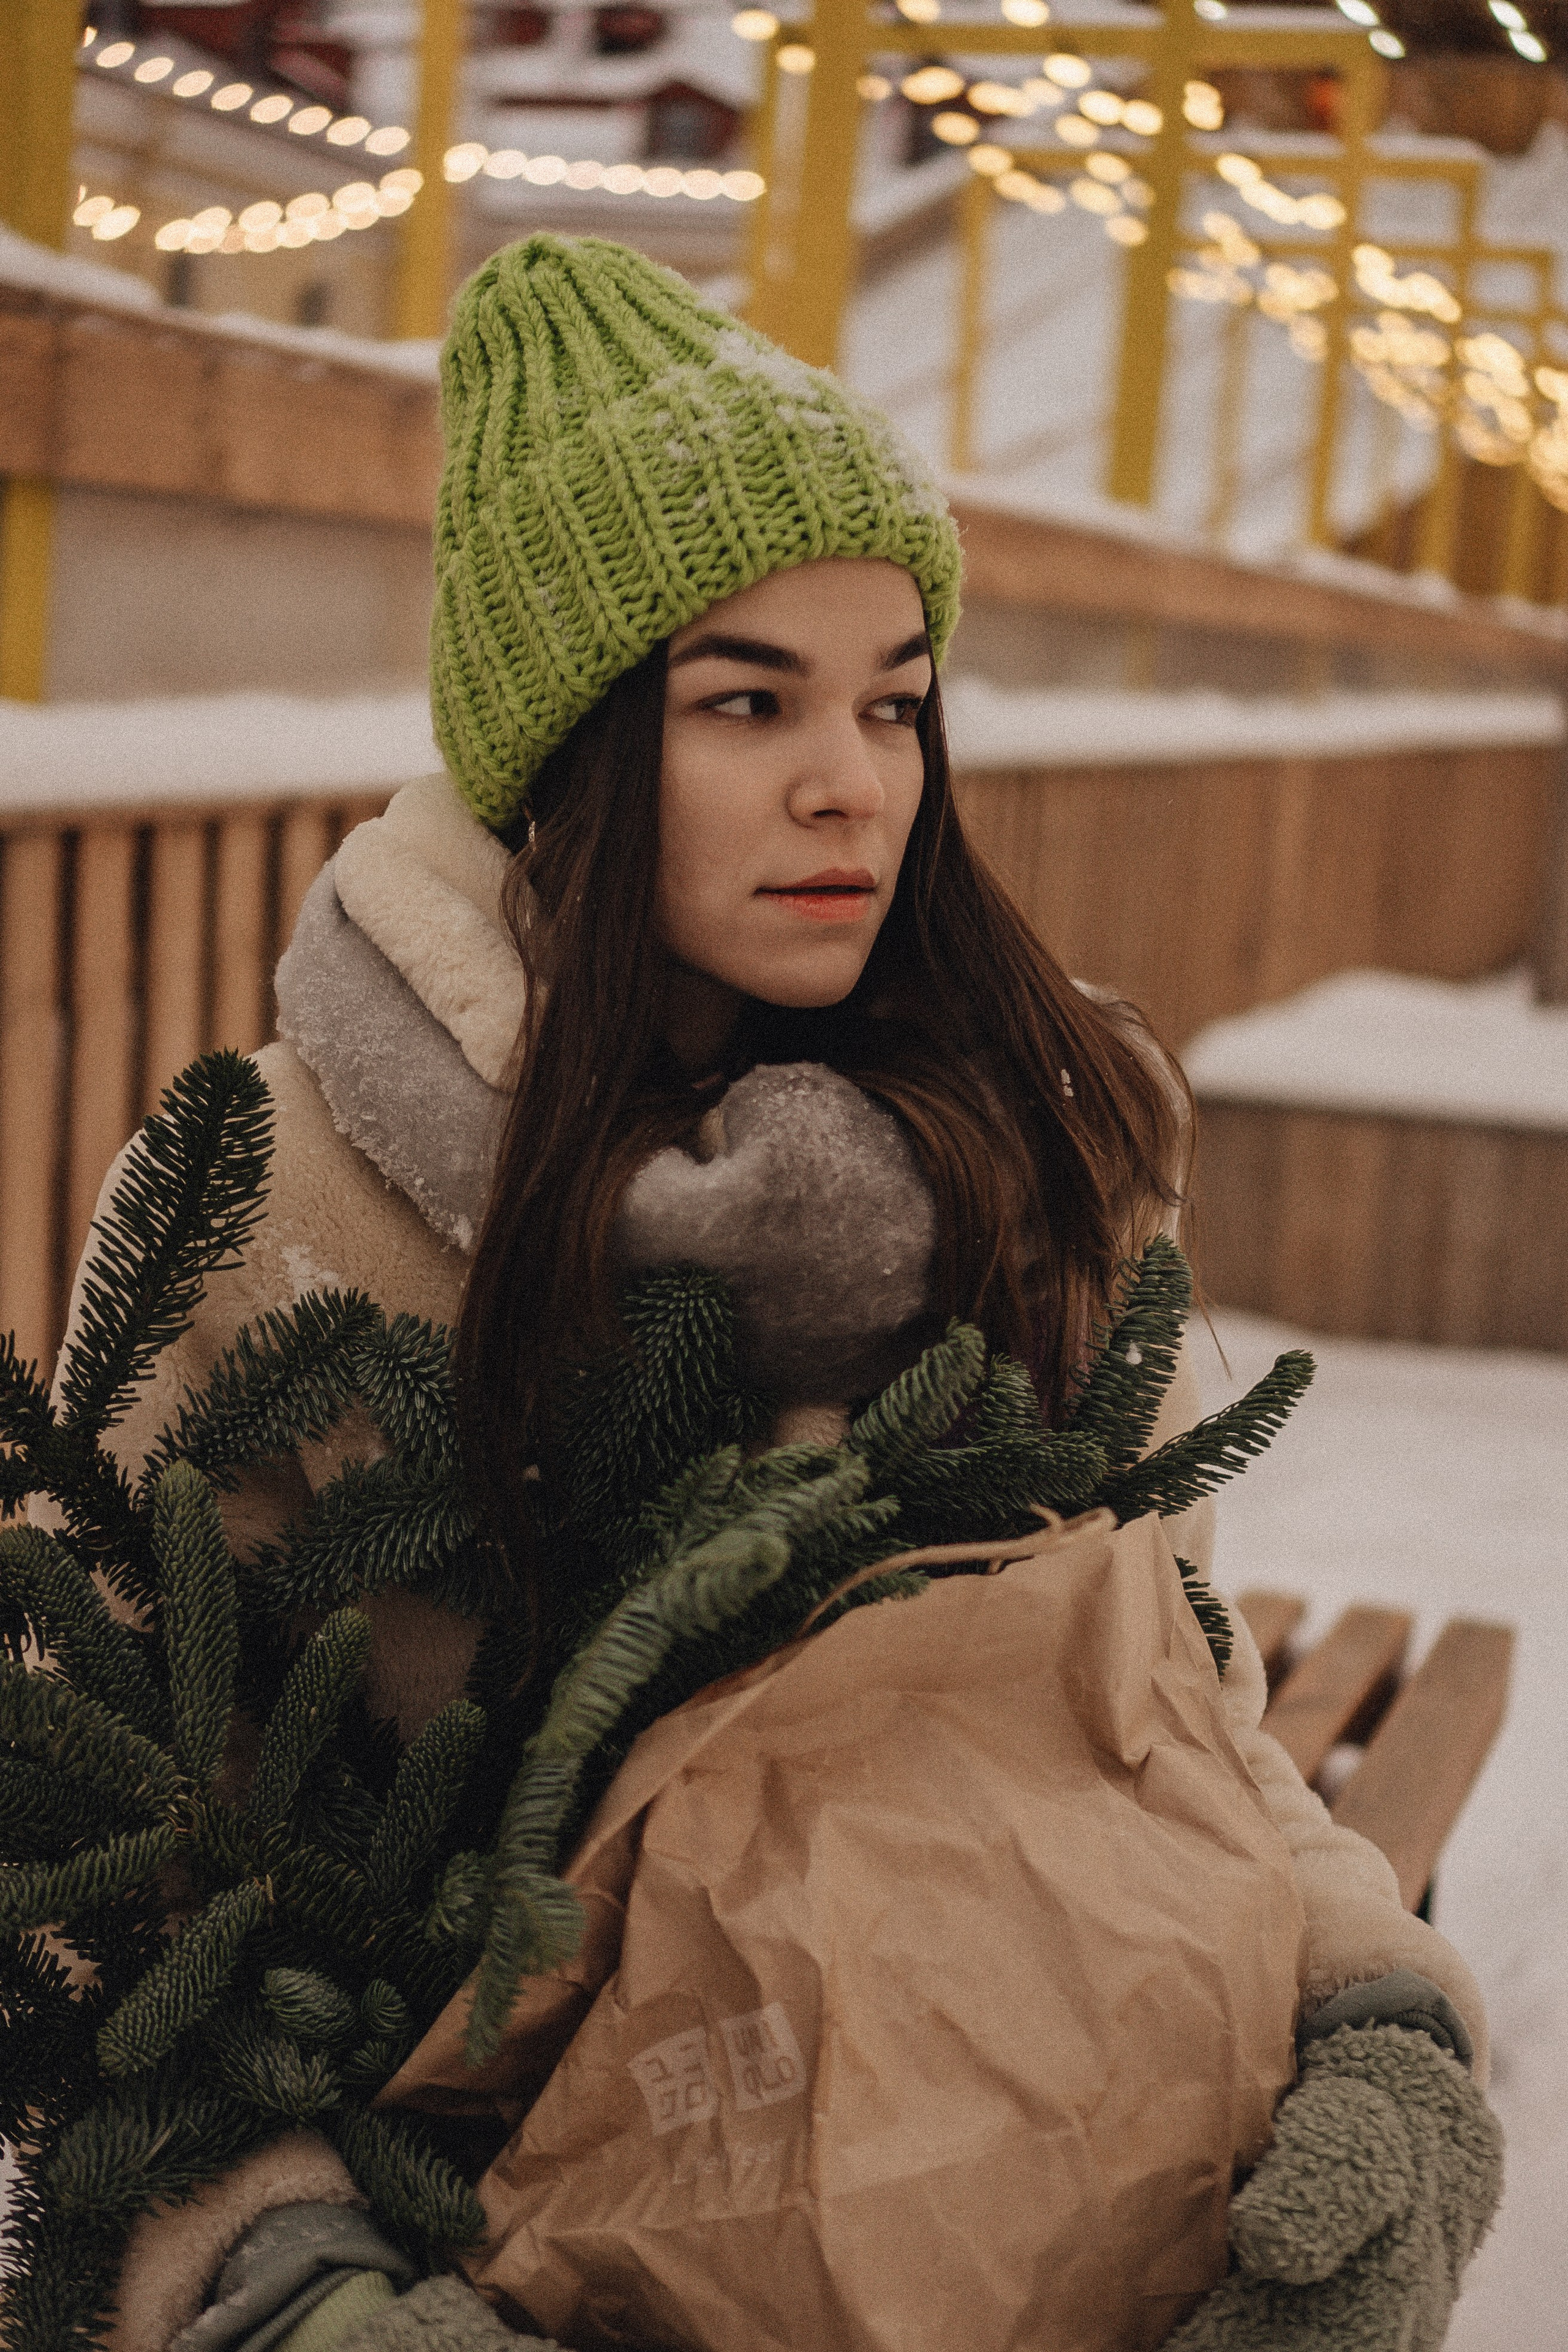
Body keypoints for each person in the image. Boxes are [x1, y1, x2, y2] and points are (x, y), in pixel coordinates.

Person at [88, 236, 1492, 2352]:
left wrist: (1379, 2012)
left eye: (895, 700)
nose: (855, 782)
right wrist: (275, 2277)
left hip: (1025, 2175)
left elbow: (1155, 1703)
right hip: (502, 2236)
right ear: (572, 752)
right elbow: (97, 1837)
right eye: (748, 703)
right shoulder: (268, 1187)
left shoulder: (1033, 1148)